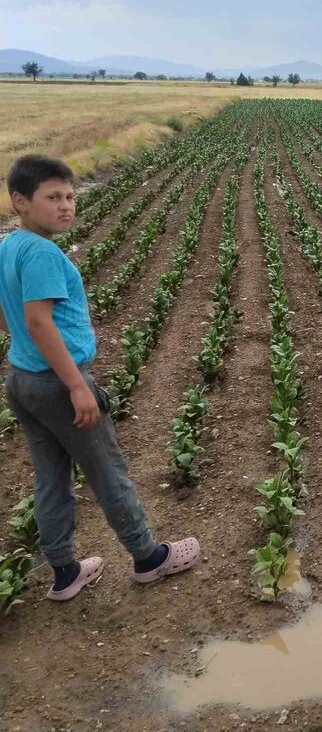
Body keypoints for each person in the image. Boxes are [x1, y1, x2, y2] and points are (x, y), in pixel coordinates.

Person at [0, 154, 200, 601]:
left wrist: (31, 350)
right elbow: (38, 321)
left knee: (51, 478)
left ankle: (65, 572)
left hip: (22, 379)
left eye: (70, 196)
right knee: (108, 472)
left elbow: (11, 317)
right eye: (53, 198)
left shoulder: (9, 246)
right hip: (57, 384)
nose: (66, 206)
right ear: (21, 202)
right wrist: (75, 384)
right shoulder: (42, 253)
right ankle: (149, 558)